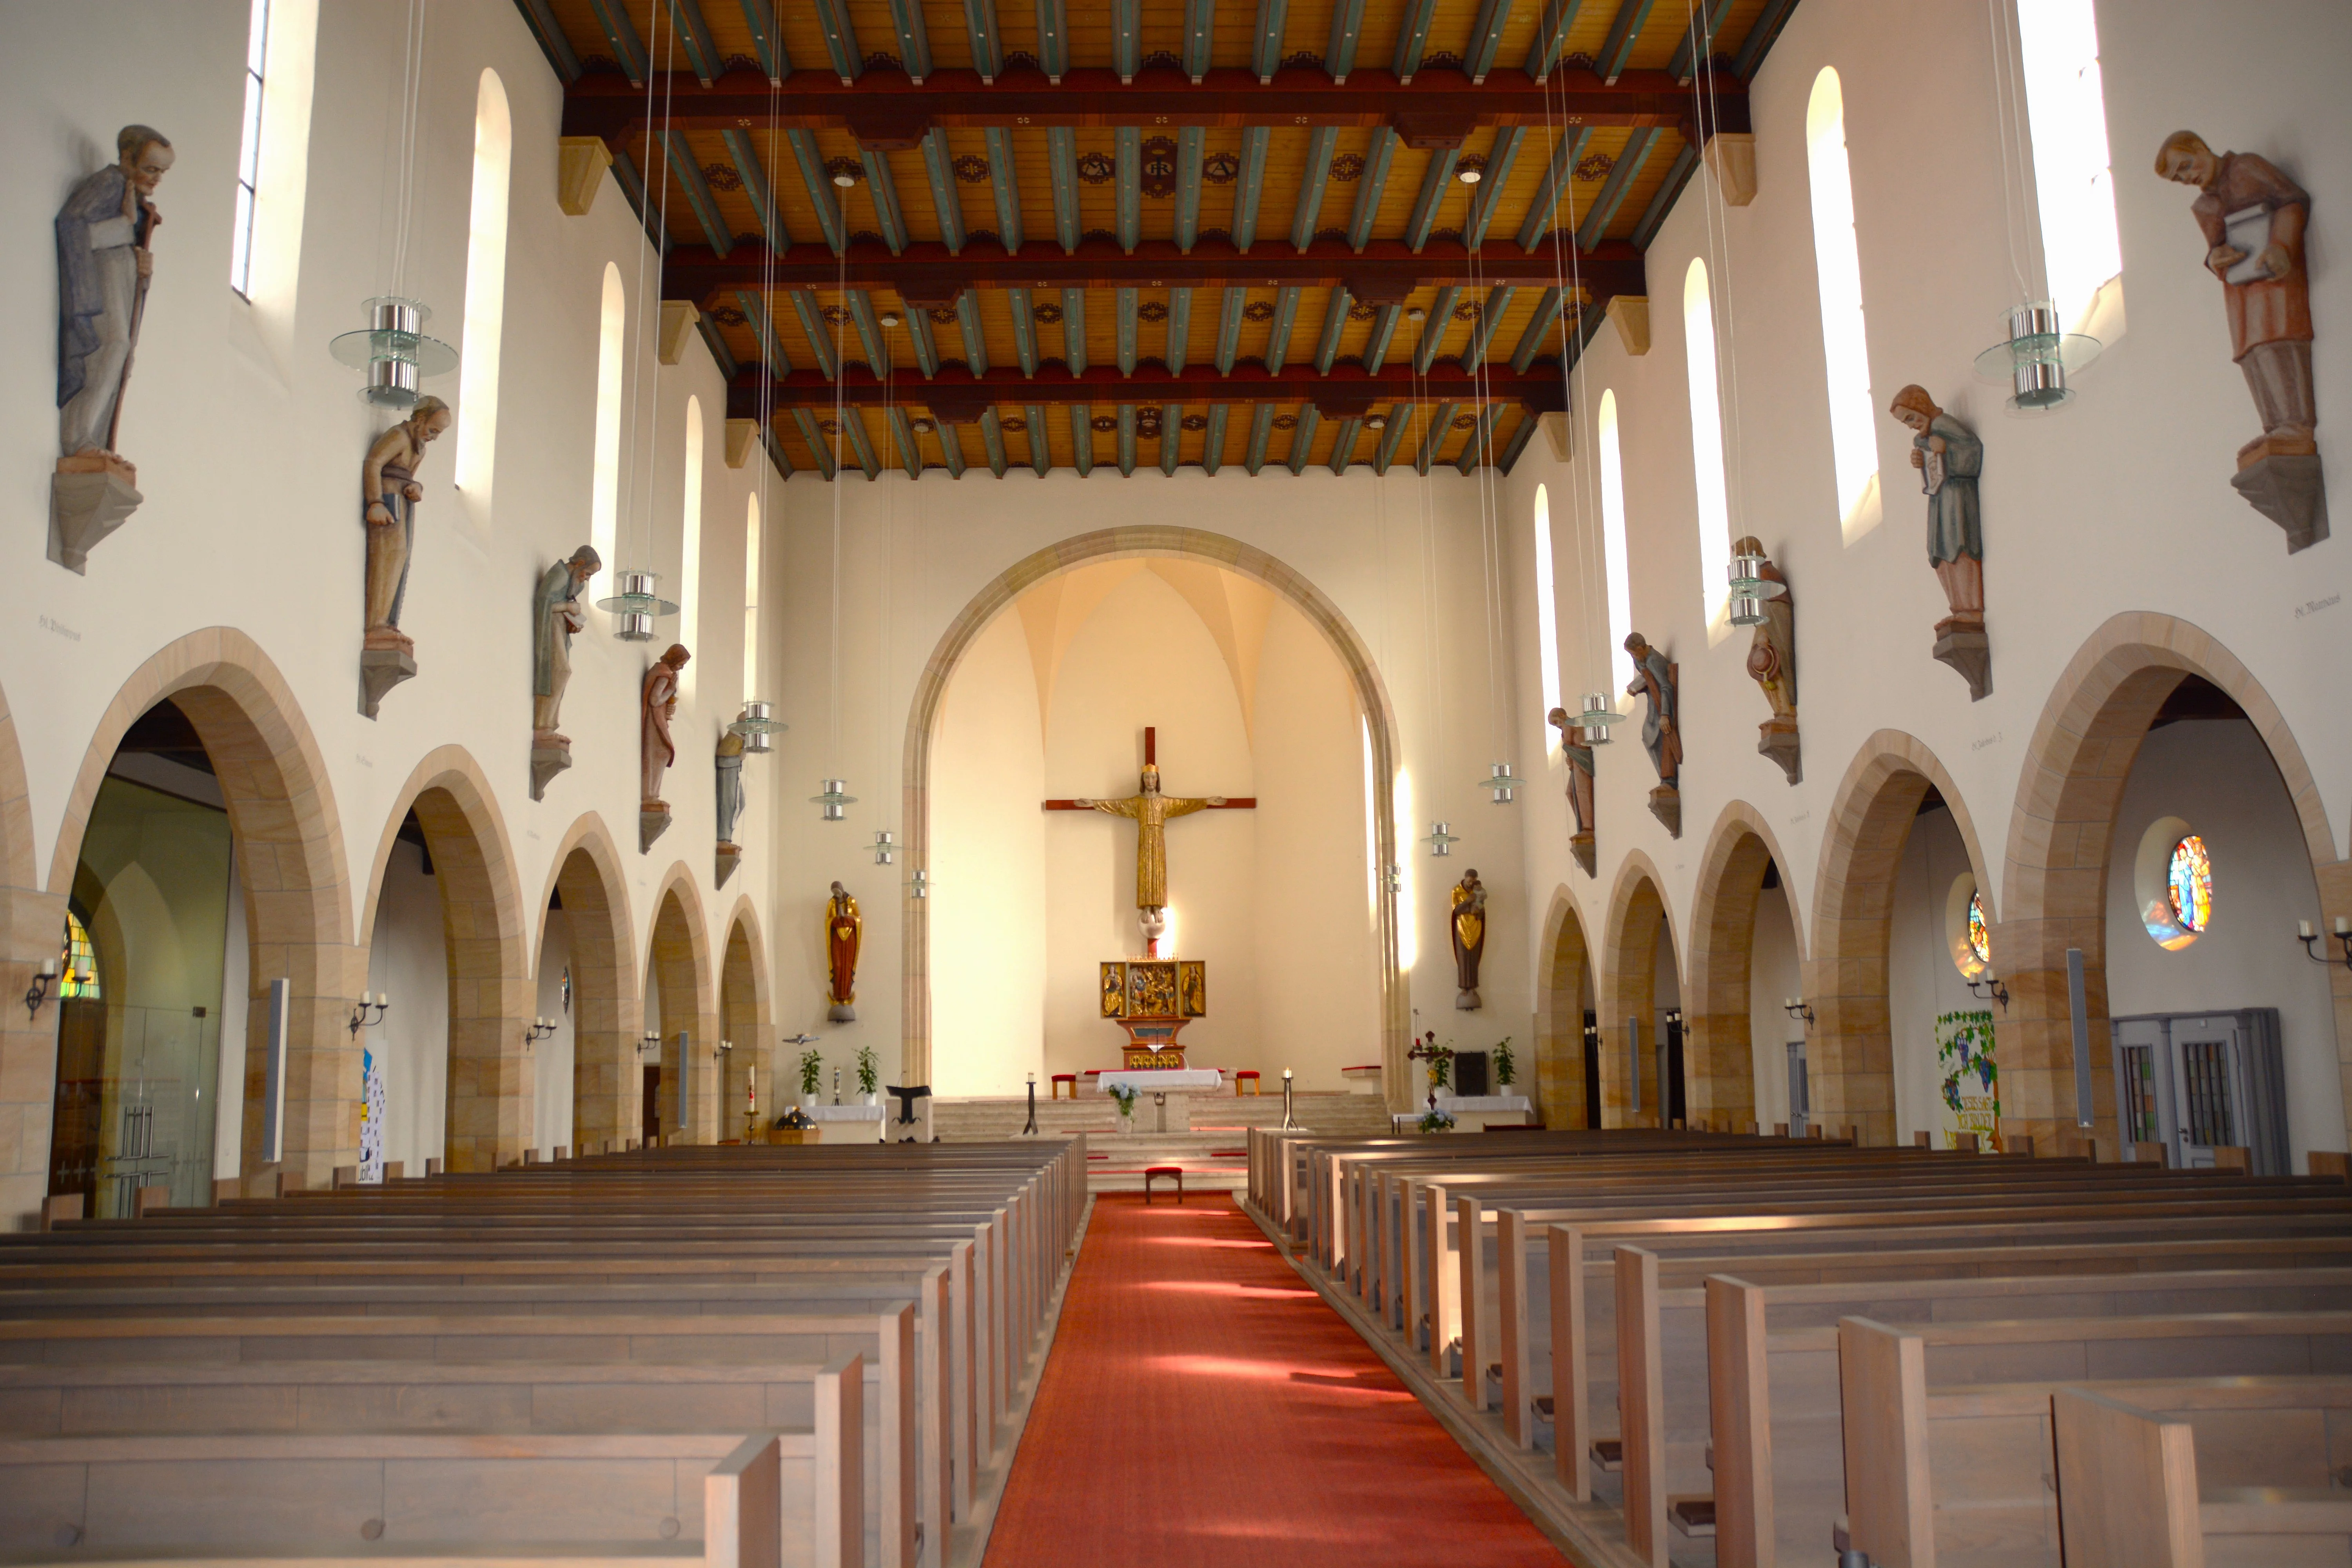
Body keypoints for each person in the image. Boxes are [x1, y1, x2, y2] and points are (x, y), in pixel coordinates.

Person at [2155, 131, 2315, 461]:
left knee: (2276, 340)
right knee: (2251, 352)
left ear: (2201, 147)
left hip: (2273, 276)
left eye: (2186, 166)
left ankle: (2295, 424)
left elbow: (2291, 202)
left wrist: (2281, 246)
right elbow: (2215, 249)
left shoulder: (2247, 168)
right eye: (2179, 178)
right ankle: (2274, 426)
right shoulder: (2205, 205)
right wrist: (2216, 259)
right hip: (2240, 292)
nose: (2188, 178)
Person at [56, 125, 174, 471]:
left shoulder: (132, 196)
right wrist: (125, 227)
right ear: (126, 158)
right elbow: (74, 230)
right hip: (102, 277)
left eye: (161, 172)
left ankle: (94, 439)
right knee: (111, 346)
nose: (156, 180)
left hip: (120, 275)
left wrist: (143, 268)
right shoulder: (108, 184)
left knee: (122, 354)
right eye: (150, 169)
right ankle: (78, 439)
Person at [1887, 387, 1984, 628]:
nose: (1910, 425)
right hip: (1939, 500)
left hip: (1958, 499)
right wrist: (1920, 462)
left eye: (1911, 417)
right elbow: (1932, 468)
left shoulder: (1946, 425)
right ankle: (1957, 607)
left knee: (1958, 544)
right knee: (1939, 549)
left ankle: (1970, 609)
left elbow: (1972, 453)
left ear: (1922, 406)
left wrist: (1947, 451)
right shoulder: (1923, 438)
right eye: (1905, 422)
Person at [361, 398, 452, 641]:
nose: (433, 437)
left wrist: (416, 487)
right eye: (433, 430)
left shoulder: (420, 447)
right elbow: (374, 462)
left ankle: (389, 622)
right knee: (389, 555)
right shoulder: (400, 436)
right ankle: (376, 624)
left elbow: (410, 477)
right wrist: (376, 503)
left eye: (438, 433)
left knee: (401, 556)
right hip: (388, 501)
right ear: (420, 419)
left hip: (404, 503)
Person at [639, 645, 690, 805]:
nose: (681, 668)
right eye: (681, 664)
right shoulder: (664, 675)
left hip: (657, 719)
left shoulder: (663, 672)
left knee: (662, 754)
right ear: (674, 659)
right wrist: (671, 690)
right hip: (654, 723)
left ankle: (653, 794)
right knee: (661, 753)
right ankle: (650, 795)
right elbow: (655, 700)